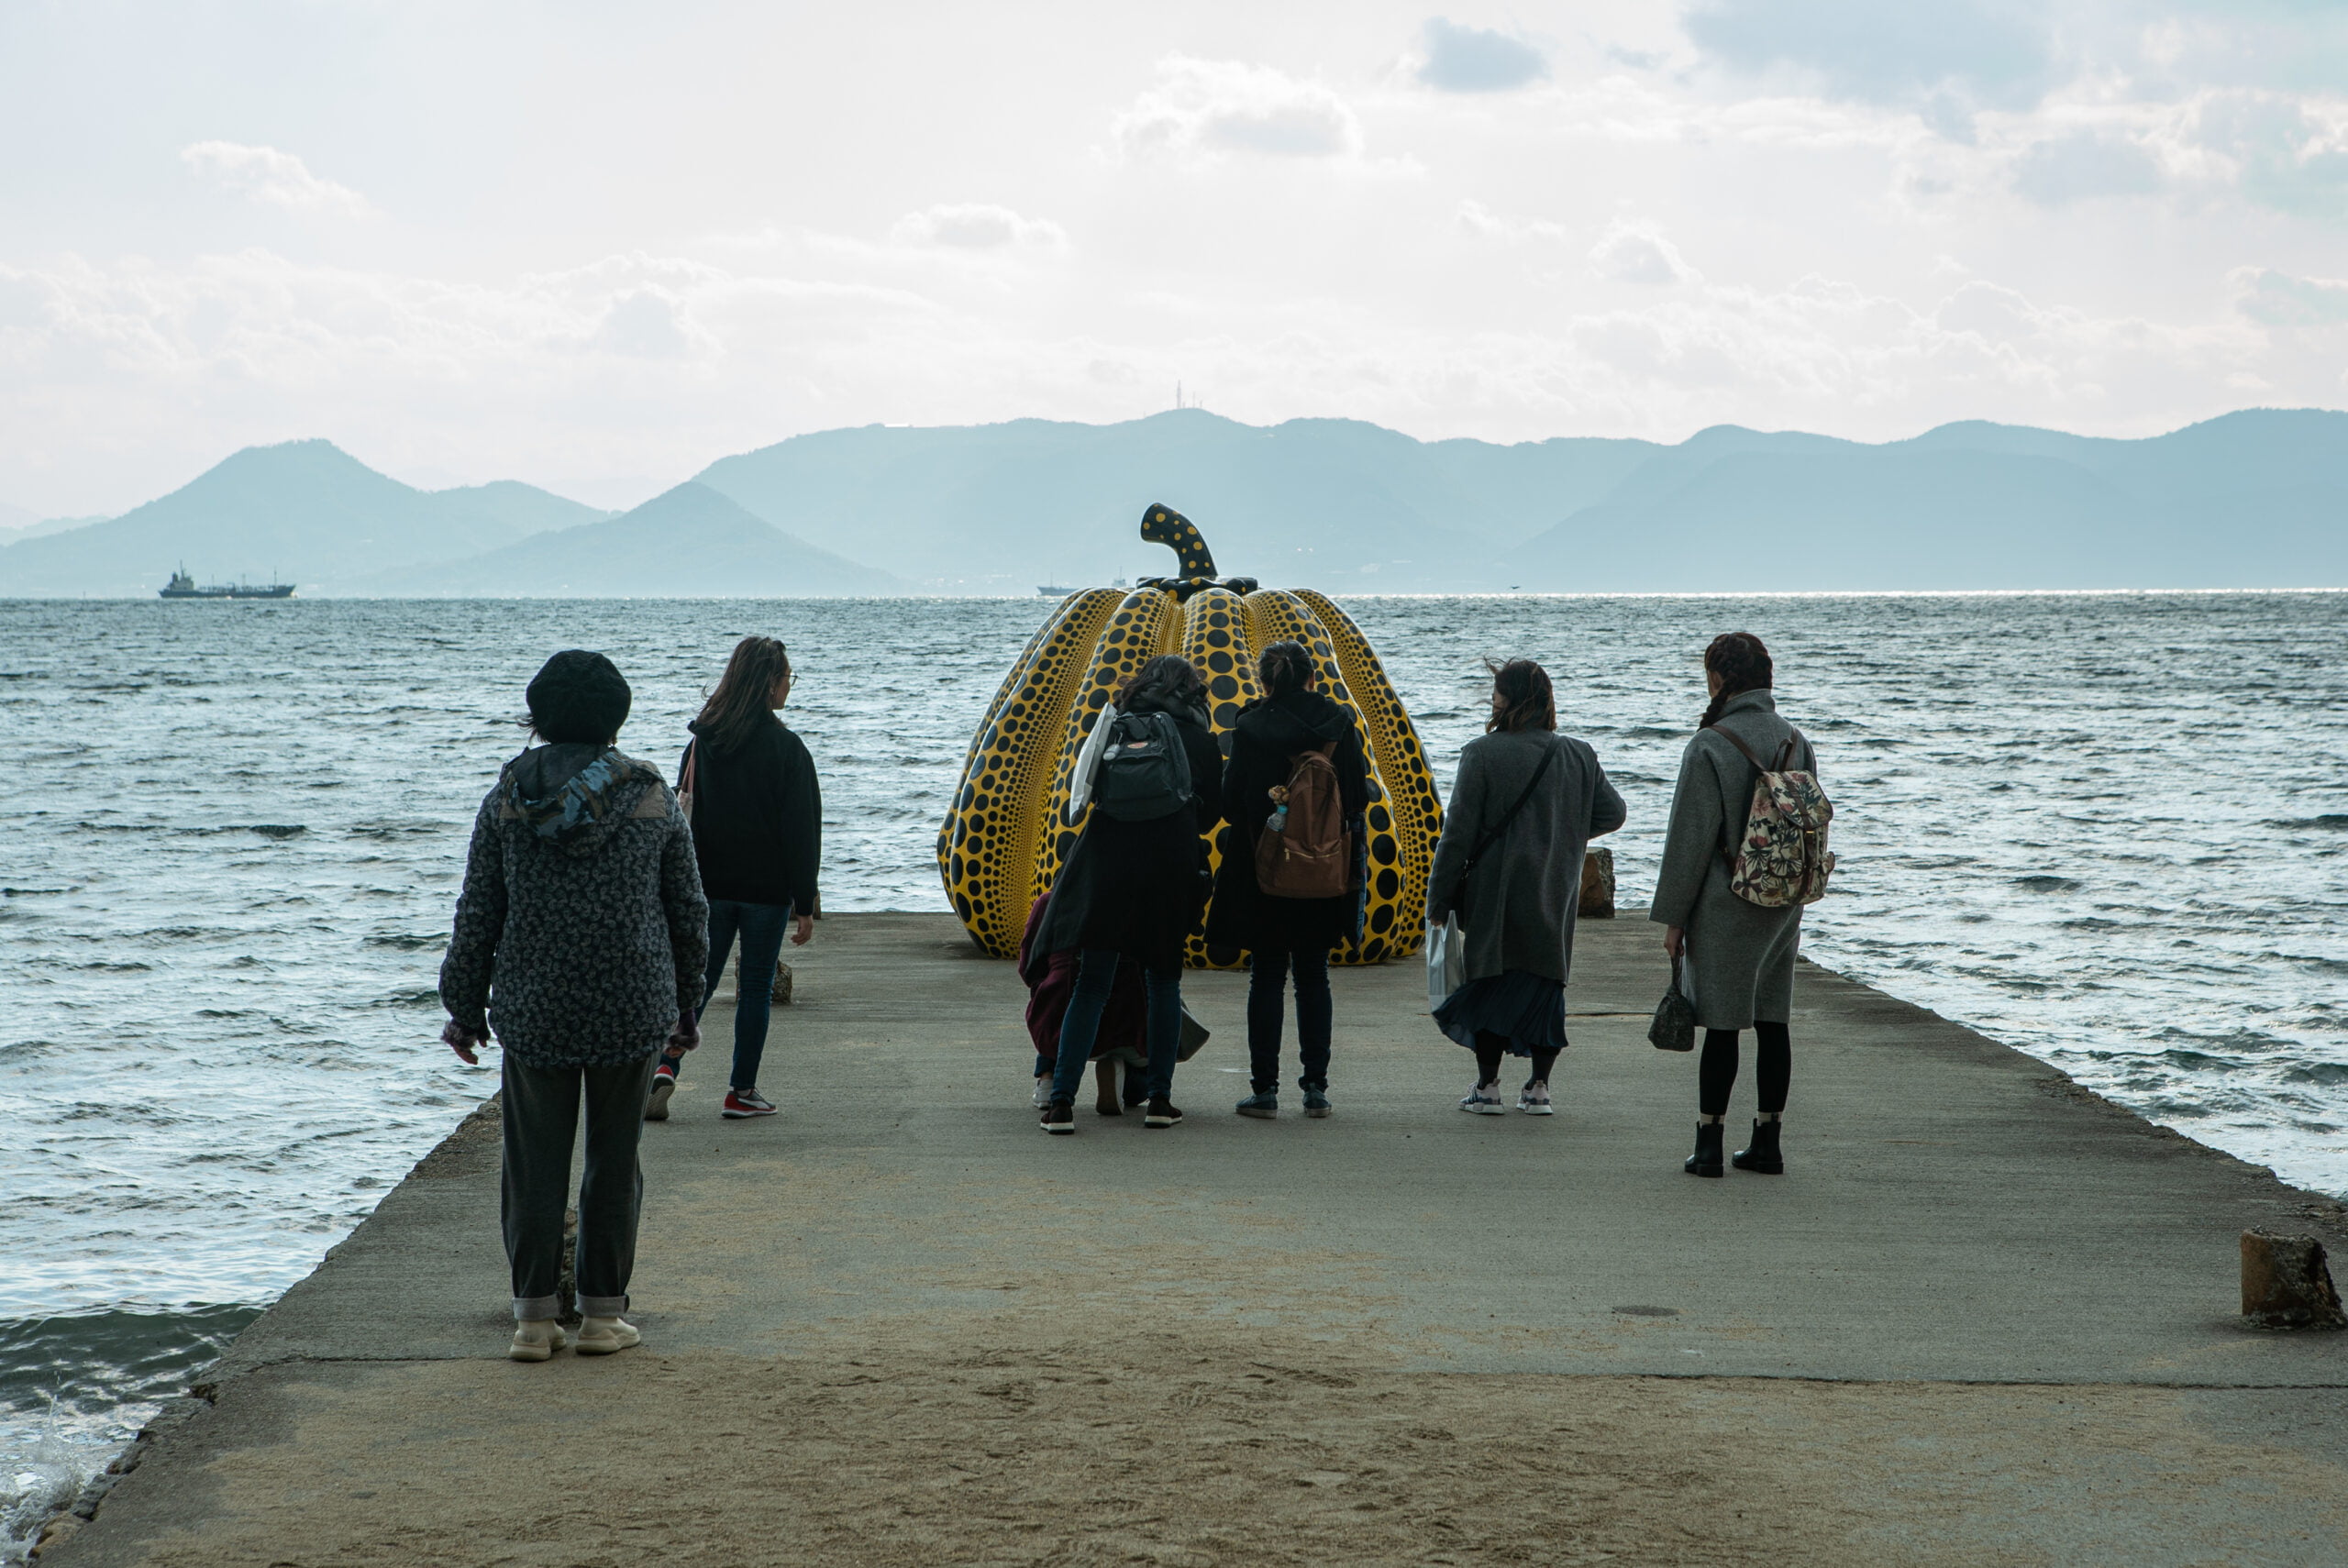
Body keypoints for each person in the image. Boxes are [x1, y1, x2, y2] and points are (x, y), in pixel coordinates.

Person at [438, 649, 707, 1362]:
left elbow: (479, 911)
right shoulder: (650, 794)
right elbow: (688, 911)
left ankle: (532, 1320)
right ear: (616, 719)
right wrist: (689, 1003)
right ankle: (601, 1318)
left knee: (533, 1166)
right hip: (631, 1002)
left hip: (535, 1006)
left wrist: (462, 1006)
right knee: (614, 1165)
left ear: (539, 717)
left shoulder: (505, 798)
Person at [1031, 654, 1224, 1133]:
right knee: (1162, 984)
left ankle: (1060, 1104)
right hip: (1169, 868)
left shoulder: (1113, 726)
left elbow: (1083, 794)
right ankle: (1159, 1101)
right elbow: (1212, 815)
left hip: (1108, 867)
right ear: (1191, 690)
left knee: (1091, 984)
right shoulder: (1201, 738)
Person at [1424, 658, 1625, 1116]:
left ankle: (1488, 1087)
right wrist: (1562, 832)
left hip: (1496, 888)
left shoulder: (1482, 753)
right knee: (1544, 983)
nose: (1492, 699)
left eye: (1497, 692)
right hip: (1554, 887)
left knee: (1491, 979)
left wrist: (1438, 898)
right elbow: (1613, 814)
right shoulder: (1577, 753)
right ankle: (1538, 1089)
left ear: (1508, 699)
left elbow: (1457, 834)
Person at [1653, 632, 1814, 1177]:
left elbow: (1689, 840)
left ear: (1718, 679)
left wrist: (1674, 919)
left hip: (1726, 902)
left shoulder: (1710, 743)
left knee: (1722, 1025)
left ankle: (1709, 1145)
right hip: (1782, 900)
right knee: (1773, 1020)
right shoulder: (1795, 739)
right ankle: (1767, 1142)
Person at [645, 635, 821, 1122]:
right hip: (766, 891)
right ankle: (741, 1092)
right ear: (770, 683)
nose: (789, 686)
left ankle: (664, 1067)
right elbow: (801, 830)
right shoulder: (787, 749)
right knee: (757, 988)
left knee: (695, 984)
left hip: (706, 887)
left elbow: (679, 819)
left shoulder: (702, 742)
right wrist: (804, 902)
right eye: (788, 677)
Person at [1206, 640, 1369, 1119]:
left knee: (1267, 976)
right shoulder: (1338, 723)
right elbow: (1357, 798)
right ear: (1312, 678)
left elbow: (1231, 804)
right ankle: (1315, 1088)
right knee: (1313, 975)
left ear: (1265, 681)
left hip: (1263, 869)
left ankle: (1264, 1089)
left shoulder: (1251, 725)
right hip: (1322, 867)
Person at [1018, 890, 1150, 1116]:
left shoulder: (1051, 901)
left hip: (1059, 1017)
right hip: (1127, 1021)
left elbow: (1030, 963)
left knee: (1055, 998)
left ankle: (1048, 1078)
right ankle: (1118, 1066)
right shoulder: (1138, 901)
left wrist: (1042, 985)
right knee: (1137, 1092)